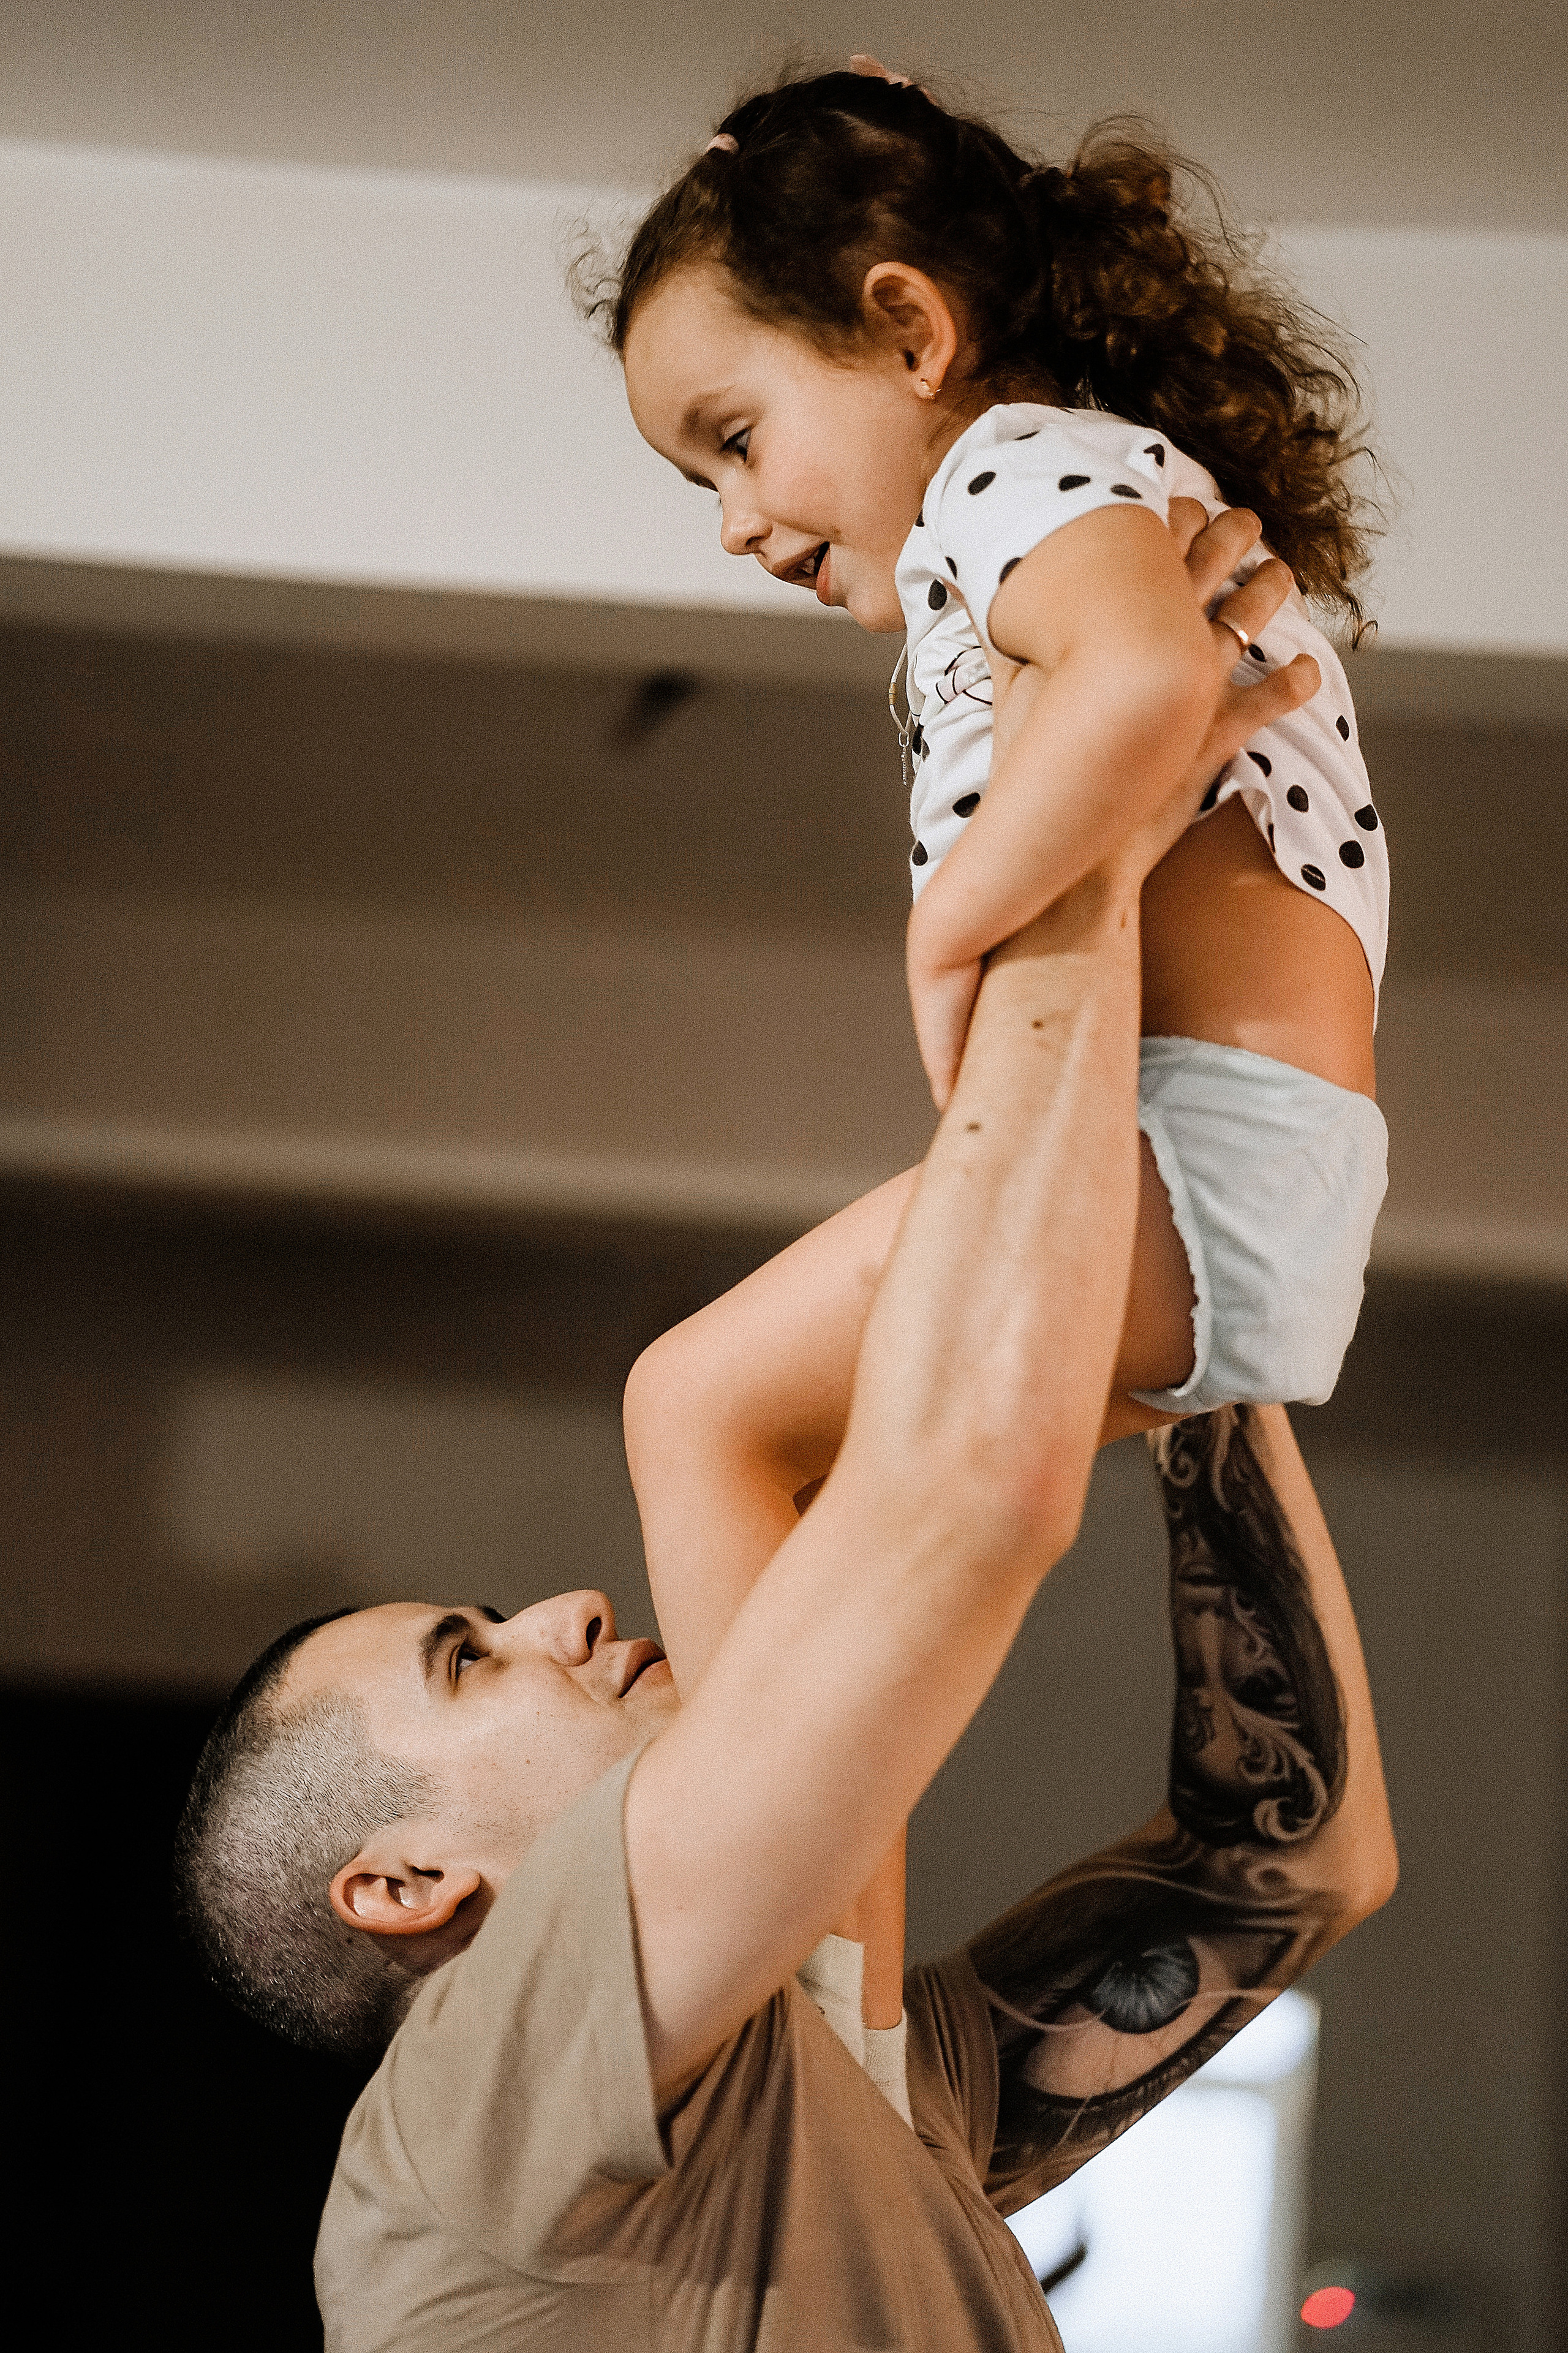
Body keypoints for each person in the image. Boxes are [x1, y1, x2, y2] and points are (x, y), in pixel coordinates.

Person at [173, 528, 1396, 2351]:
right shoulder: (463, 2137)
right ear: (410, 1889)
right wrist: (1077, 890)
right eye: (469, 1656)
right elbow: (964, 1505)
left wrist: (1199, 1303)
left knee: (695, 1404)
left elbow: (1286, 1859)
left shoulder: (831, 2080)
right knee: (701, 1406)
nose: (567, 1610)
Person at [604, 59, 1388, 1443]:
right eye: (701, 482)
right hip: (1245, 1174)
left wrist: (947, 929)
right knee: (787, 1457)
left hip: (1186, 1163)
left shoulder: (1007, 467)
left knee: (690, 1409)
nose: (732, 523)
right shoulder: (1056, 509)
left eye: (735, 440)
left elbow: (1147, 677)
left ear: (909, 330)